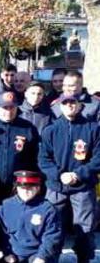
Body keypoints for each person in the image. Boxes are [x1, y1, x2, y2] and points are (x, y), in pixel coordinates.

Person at [39, 93, 100, 263]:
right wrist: (59, 175)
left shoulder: (93, 128)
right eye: (65, 103)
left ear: (80, 105)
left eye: (73, 103)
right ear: (60, 105)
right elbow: (44, 159)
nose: (69, 106)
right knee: (52, 226)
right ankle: (51, 258)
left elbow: (98, 157)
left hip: (83, 187)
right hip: (56, 187)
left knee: (85, 229)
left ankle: (84, 259)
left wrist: (78, 174)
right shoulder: (50, 130)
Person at [0, 171, 62, 263]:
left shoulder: (47, 209)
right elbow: (0, 233)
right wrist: (6, 253)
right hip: (13, 253)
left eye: (30, 188)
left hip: (37, 253)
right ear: (16, 188)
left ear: (38, 188)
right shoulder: (5, 206)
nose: (26, 191)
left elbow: (52, 236)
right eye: (22, 187)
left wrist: (42, 256)